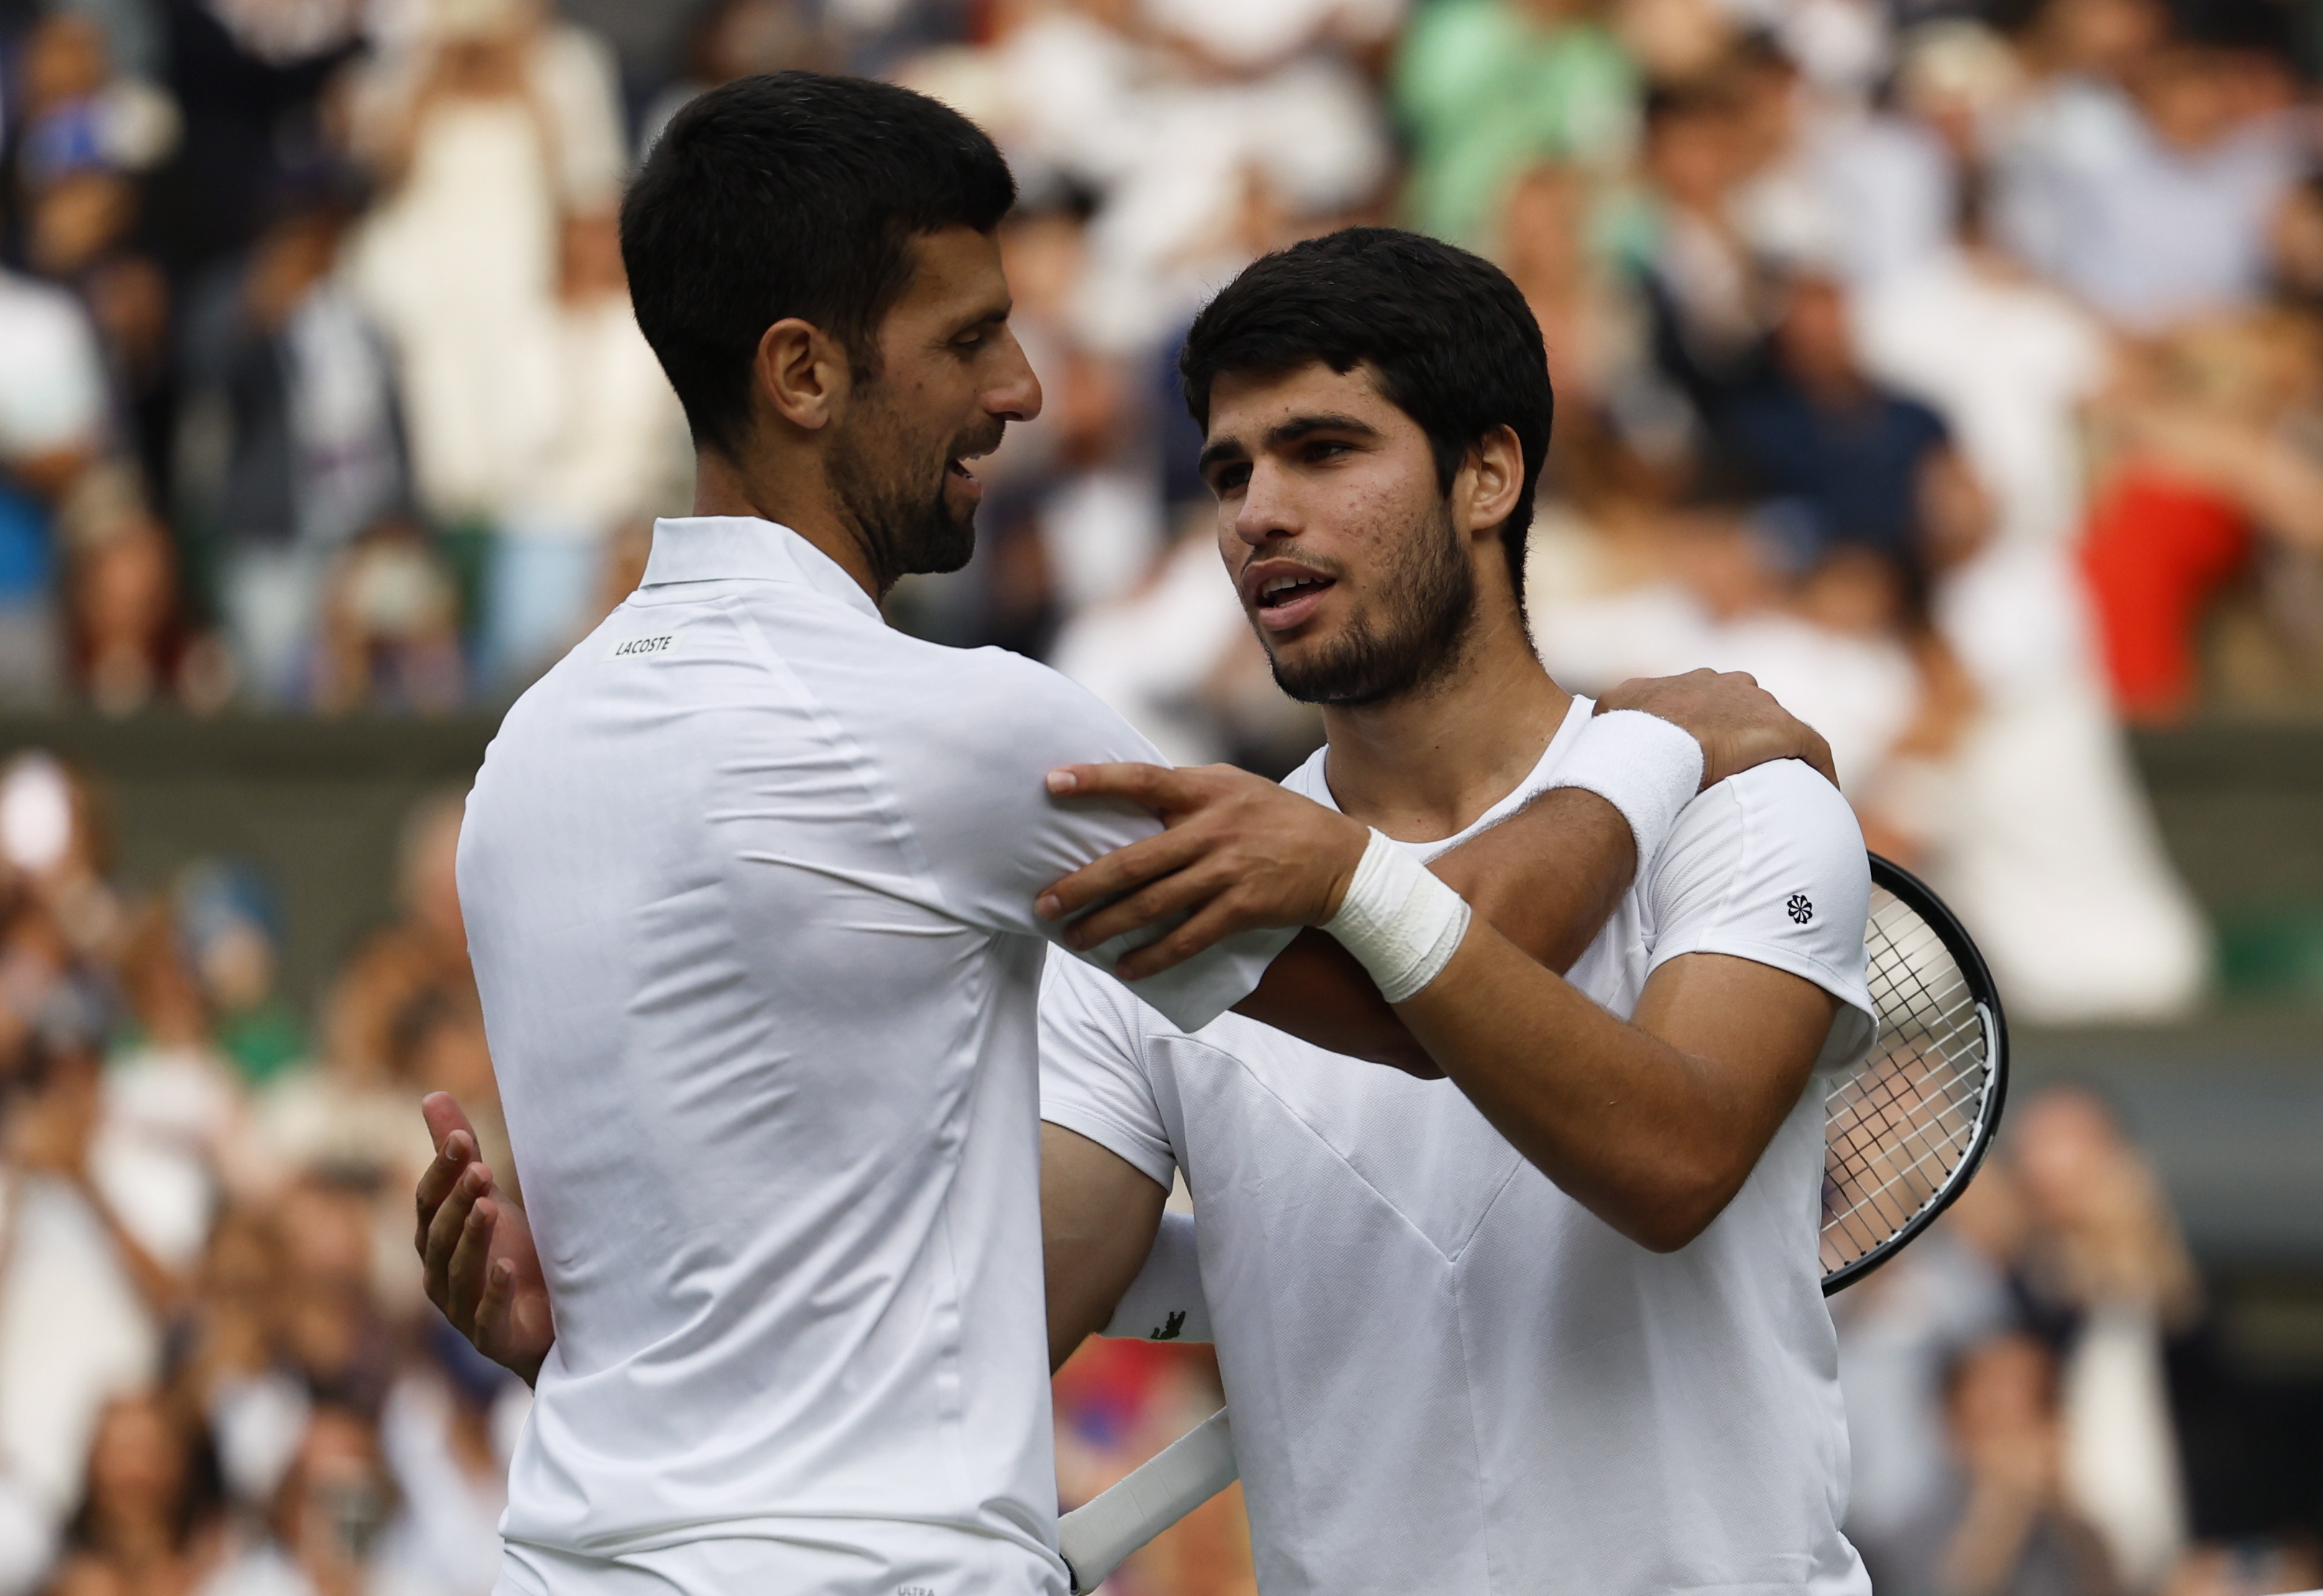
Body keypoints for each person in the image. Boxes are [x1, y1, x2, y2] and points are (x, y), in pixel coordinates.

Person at [422, 218, 1869, 1595]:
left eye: (1322, 450)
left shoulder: (1743, 798)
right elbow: (975, 1319)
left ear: (1489, 476)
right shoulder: (1194, 895)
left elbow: (1670, 1158)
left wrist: (1628, 755)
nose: (1261, 513)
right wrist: (628, 1335)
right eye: (1229, 471)